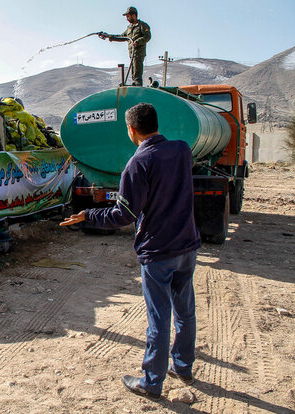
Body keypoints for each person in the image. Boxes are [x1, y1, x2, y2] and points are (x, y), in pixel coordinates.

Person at [60, 103, 201, 400]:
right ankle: (183, 367)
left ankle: (151, 382)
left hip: (159, 251)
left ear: (131, 130)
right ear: (156, 123)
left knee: (159, 318)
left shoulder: (138, 163)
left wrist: (88, 216)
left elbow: (123, 215)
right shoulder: (181, 150)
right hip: (187, 245)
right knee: (185, 310)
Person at [109, 6, 151, 86]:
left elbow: (147, 37)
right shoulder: (129, 28)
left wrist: (137, 42)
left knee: (137, 74)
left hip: (139, 53)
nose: (127, 19)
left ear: (134, 16)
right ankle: (135, 84)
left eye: (128, 16)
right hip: (132, 54)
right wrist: (110, 37)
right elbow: (122, 37)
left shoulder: (142, 25)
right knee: (133, 71)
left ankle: (137, 85)